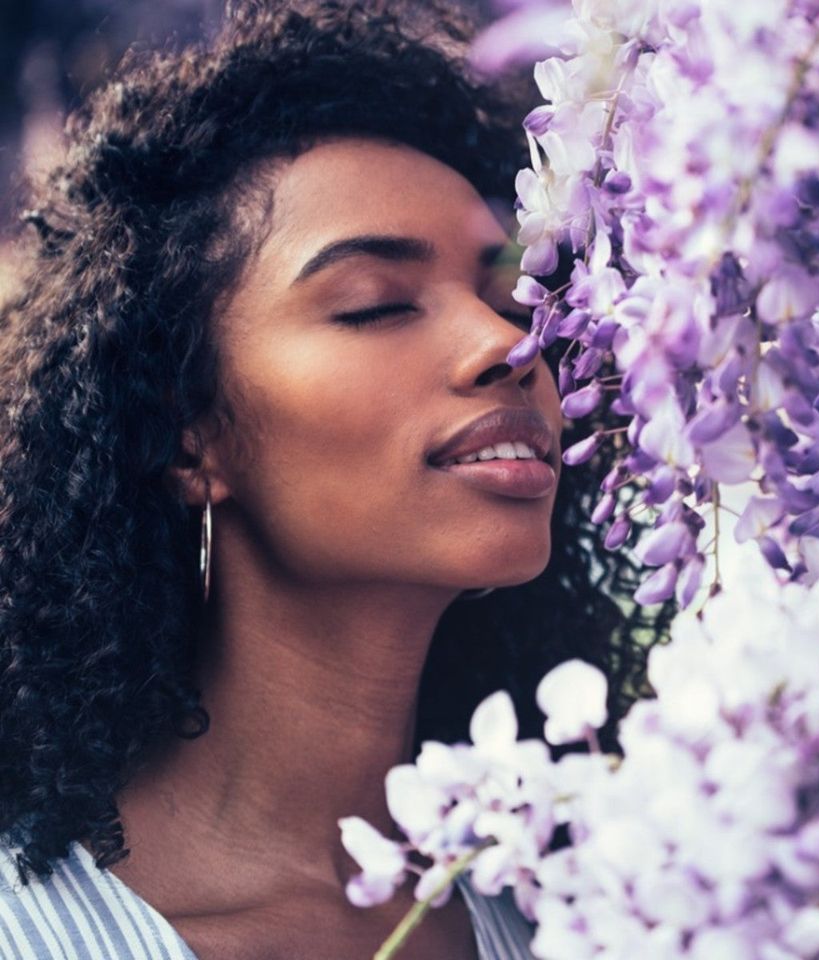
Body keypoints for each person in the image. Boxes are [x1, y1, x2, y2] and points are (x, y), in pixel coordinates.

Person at [0, 2, 670, 957]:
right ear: (186, 439)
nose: (508, 344)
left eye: (505, 292)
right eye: (377, 305)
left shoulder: (595, 909)